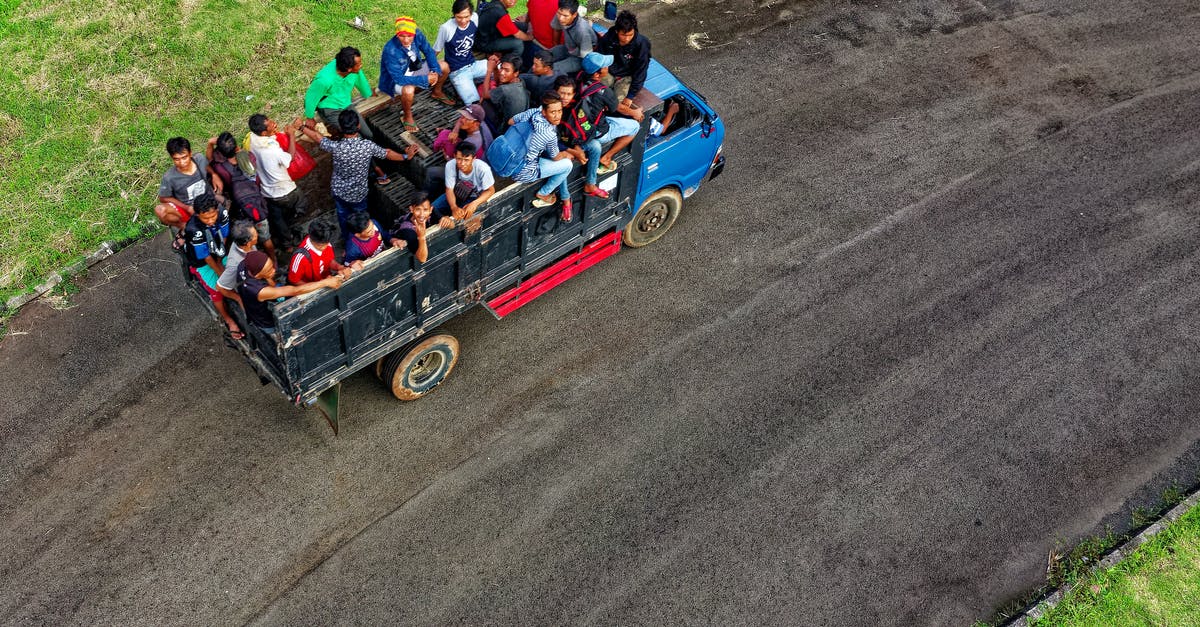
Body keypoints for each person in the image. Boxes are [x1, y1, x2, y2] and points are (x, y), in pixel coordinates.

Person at [299, 109, 418, 240]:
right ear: (358, 126)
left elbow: (317, 137)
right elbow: (387, 153)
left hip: (339, 191)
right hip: (358, 193)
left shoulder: (336, 147)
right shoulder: (367, 146)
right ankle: (364, 239)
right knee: (361, 219)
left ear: (341, 127)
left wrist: (301, 127)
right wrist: (406, 156)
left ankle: (347, 240)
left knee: (343, 216)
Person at [236, 250, 343, 336]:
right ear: (257, 275)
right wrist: (325, 282)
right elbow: (296, 290)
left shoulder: (244, 265)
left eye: (271, 266)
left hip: (260, 297)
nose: (273, 270)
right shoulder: (259, 290)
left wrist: (268, 276)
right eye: (269, 271)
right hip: (266, 321)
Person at [508, 94, 578, 220]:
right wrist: (566, 154)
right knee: (567, 164)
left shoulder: (532, 112)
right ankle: (544, 193)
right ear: (544, 112)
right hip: (524, 172)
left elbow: (511, 121)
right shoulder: (548, 134)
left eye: (559, 111)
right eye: (553, 112)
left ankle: (565, 198)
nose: (557, 116)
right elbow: (556, 157)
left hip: (511, 162)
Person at [207, 132, 276, 260]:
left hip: (241, 210)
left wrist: (211, 143)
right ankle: (273, 259)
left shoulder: (220, 168)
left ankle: (257, 261)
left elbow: (209, 159)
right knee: (266, 237)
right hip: (257, 204)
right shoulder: (249, 156)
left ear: (221, 154)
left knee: (247, 238)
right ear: (237, 148)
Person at [183, 194, 242, 339]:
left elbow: (224, 235)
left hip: (217, 252)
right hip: (202, 262)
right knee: (217, 290)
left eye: (213, 216)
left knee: (240, 269)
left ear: (217, 210)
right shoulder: (193, 229)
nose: (210, 221)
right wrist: (221, 273)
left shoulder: (222, 213)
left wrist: (221, 256)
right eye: (205, 218)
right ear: (197, 215)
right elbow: (205, 256)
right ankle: (229, 319)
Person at [575, 52, 643, 177]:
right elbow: (619, 108)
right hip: (597, 132)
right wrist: (636, 113)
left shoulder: (578, 78)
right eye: (605, 67)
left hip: (579, 125)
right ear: (597, 74)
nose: (608, 68)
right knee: (634, 127)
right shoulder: (603, 91)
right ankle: (607, 157)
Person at [247, 114, 307, 254]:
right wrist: (291, 135)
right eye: (270, 125)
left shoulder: (252, 139)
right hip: (285, 192)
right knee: (301, 202)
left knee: (278, 220)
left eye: (271, 120)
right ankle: (296, 221)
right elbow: (290, 158)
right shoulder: (272, 149)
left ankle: (287, 244)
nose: (274, 123)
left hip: (268, 193)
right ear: (263, 133)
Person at [381, 17, 442, 132]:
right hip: (395, 80)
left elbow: (428, 51)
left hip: (415, 68)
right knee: (408, 90)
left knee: (443, 66)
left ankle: (437, 92)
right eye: (402, 36)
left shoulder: (417, 34)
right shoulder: (390, 50)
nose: (406, 40)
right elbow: (398, 78)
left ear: (414, 34)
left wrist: (433, 70)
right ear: (396, 34)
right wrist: (424, 79)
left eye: (409, 36)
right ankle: (407, 116)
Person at [304, 47, 376, 140]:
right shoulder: (324, 80)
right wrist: (310, 117)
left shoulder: (354, 70)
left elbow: (360, 80)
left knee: (368, 134)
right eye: (358, 64)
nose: (361, 65)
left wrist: (368, 93)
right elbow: (311, 96)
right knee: (357, 138)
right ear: (349, 69)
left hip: (346, 103)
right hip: (330, 109)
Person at [431, 0, 490, 107]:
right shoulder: (446, 28)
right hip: (458, 72)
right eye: (459, 17)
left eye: (466, 16)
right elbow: (436, 49)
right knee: (474, 106)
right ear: (454, 14)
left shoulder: (475, 18)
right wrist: (429, 68)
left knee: (500, 68)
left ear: (471, 14)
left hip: (474, 64)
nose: (463, 21)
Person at [155, 137, 215, 235]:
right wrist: (187, 208)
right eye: (177, 159)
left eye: (184, 157)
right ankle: (184, 227)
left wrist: (214, 174)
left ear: (190, 153)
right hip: (188, 208)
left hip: (207, 203)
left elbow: (208, 167)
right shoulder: (169, 177)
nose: (182, 163)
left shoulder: (199, 159)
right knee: (160, 210)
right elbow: (163, 198)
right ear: (172, 158)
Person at [597, 10, 651, 107]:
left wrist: (630, 96)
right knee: (596, 92)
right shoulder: (610, 36)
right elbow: (600, 53)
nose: (626, 39)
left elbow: (641, 71)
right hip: (609, 71)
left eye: (630, 35)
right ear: (617, 31)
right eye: (623, 35)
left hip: (627, 76)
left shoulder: (642, 44)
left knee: (616, 104)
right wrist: (602, 68)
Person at [433, 140, 496, 220]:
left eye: (466, 160)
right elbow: (449, 189)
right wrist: (454, 207)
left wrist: (474, 204)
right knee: (432, 209)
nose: (462, 163)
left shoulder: (483, 169)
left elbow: (491, 190)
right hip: (456, 193)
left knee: (463, 218)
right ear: (454, 156)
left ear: (473, 159)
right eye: (459, 159)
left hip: (474, 198)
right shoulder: (450, 165)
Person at [288, 220, 361, 286]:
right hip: (312, 289)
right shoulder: (300, 258)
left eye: (327, 243)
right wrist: (319, 285)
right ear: (311, 239)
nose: (325, 247)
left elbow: (329, 261)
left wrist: (340, 267)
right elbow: (294, 281)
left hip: (328, 281)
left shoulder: (326, 242)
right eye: (321, 246)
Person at [393, 192, 454, 264]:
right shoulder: (407, 229)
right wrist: (421, 237)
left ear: (430, 209)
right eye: (418, 209)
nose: (422, 214)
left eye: (425, 210)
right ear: (411, 209)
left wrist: (448, 221)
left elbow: (452, 225)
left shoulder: (432, 212)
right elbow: (422, 259)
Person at [480, 54, 528, 133]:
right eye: (501, 68)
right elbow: (500, 83)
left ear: (516, 73)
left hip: (504, 128)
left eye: (507, 70)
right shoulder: (519, 81)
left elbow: (485, 94)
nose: (502, 72)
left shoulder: (505, 89)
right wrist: (495, 69)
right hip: (515, 122)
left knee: (483, 101)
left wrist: (489, 70)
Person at [216, 219, 259, 305]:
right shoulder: (235, 265)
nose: (257, 234)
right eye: (255, 235)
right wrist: (238, 298)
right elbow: (220, 287)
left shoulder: (240, 241)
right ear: (248, 243)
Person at [548, 0, 596, 74]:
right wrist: (556, 46)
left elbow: (587, 57)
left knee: (552, 69)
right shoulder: (560, 15)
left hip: (580, 57)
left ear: (574, 15)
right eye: (559, 13)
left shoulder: (582, 31)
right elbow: (557, 29)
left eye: (565, 16)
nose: (561, 18)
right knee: (543, 57)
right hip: (568, 48)